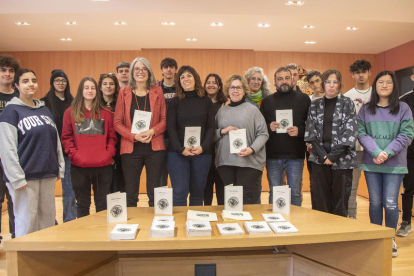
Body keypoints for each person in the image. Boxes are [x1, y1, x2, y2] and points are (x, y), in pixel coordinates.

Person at [0, 69, 64, 237]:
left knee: (48, 219)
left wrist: (59, 166)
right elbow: (6, 148)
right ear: (16, 86)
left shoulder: (44, 110)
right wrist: (16, 177)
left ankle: (45, 257)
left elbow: (54, 139)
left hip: (47, 173)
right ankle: (25, 259)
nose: (31, 84)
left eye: (33, 80)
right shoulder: (11, 112)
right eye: (25, 81)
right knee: (27, 220)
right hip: (25, 177)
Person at [358, 70, 414, 257]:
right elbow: (361, 133)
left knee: (390, 203)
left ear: (394, 86)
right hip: (372, 163)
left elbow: (407, 134)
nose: (384, 85)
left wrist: (387, 152)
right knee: (375, 203)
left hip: (395, 164)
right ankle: (376, 237)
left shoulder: (404, 108)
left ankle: (389, 239)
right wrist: (376, 152)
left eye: (388, 82)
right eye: (381, 82)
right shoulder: (366, 109)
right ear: (375, 85)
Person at [304, 69, 358, 217]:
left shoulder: (347, 103)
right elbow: (310, 132)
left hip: (342, 160)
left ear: (339, 84)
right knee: (321, 199)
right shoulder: (315, 105)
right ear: (323, 84)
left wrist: (332, 156)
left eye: (335, 82)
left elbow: (350, 131)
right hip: (319, 160)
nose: (331, 85)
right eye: (328, 82)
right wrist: (323, 156)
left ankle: (339, 235)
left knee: (341, 199)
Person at [114, 57, 166, 207]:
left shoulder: (158, 91)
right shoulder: (123, 93)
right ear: (132, 72)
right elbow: (117, 123)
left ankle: (156, 225)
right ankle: (131, 228)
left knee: (154, 193)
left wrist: (152, 131)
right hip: (131, 149)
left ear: (149, 72)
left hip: (154, 148)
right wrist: (133, 136)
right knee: (130, 194)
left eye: (144, 68)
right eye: (137, 68)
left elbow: (164, 120)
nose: (140, 72)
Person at [61, 77, 117, 218]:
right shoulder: (70, 113)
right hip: (79, 167)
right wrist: (75, 155)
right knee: (82, 204)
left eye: (92, 88)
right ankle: (83, 236)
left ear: (97, 91)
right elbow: (66, 138)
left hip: (103, 166)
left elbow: (112, 138)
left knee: (102, 204)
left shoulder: (106, 113)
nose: (90, 90)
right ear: (81, 90)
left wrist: (108, 154)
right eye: (86, 87)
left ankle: (101, 235)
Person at [215, 75, 268, 204]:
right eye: (232, 87)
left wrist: (251, 149)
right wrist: (222, 131)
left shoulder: (253, 110)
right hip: (226, 162)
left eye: (239, 87)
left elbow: (263, 134)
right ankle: (232, 224)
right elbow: (212, 134)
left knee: (246, 198)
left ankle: (246, 224)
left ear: (244, 91)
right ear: (228, 90)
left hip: (249, 162)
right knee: (230, 199)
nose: (235, 90)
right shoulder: (221, 111)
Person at [261, 67, 310, 206]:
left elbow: (312, 126)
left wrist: (300, 130)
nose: (284, 81)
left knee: (295, 192)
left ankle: (295, 222)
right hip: (272, 155)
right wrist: (269, 127)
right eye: (280, 79)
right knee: (274, 191)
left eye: (287, 78)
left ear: (293, 79)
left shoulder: (304, 99)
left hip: (296, 155)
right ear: (275, 82)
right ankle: (275, 221)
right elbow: (260, 128)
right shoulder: (267, 101)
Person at [167, 65, 214, 206]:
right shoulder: (175, 102)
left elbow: (211, 127)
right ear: (178, 82)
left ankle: (195, 225)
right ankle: (180, 226)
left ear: (195, 79)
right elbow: (171, 127)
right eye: (182, 77)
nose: (185, 79)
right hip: (178, 154)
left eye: (189, 75)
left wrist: (203, 147)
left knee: (197, 192)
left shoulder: (206, 101)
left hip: (202, 153)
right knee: (180, 193)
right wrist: (180, 148)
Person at [40, 69, 76, 223]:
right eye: (57, 81)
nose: (61, 83)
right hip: (50, 153)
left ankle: (69, 220)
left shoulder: (73, 101)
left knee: (70, 190)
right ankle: (50, 222)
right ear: (52, 83)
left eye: (63, 81)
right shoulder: (43, 103)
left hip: (68, 153)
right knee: (47, 191)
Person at [344, 59, 373, 219]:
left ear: (369, 72)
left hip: (375, 148)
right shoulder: (347, 96)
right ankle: (351, 218)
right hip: (354, 148)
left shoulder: (377, 94)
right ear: (353, 75)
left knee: (375, 187)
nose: (361, 75)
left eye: (364, 71)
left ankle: (375, 221)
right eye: (357, 72)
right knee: (352, 186)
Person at [244, 67, 272, 203]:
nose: (255, 81)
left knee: (256, 184)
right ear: (247, 81)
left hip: (262, 147)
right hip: (245, 145)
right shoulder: (241, 99)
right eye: (253, 78)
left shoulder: (268, 100)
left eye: (259, 79)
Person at [0, 55, 18, 240]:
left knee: (15, 200)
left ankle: (16, 236)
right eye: (3, 70)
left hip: (15, 157)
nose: (7, 74)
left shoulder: (19, 97)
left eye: (11, 71)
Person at [98, 73, 125, 193]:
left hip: (120, 148)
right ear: (100, 87)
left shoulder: (121, 103)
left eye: (111, 84)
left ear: (116, 86)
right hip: (101, 149)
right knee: (104, 187)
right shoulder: (95, 105)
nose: (108, 86)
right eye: (105, 84)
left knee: (120, 185)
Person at [203, 73, 227, 205]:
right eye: (208, 82)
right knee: (205, 188)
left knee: (221, 188)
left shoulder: (226, 104)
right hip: (205, 152)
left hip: (221, 152)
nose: (211, 85)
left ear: (219, 86)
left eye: (215, 82)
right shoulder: (200, 103)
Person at [156, 58, 178, 187]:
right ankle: (161, 204)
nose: (168, 69)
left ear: (176, 70)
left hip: (177, 137)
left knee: (177, 173)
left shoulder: (181, 88)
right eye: (166, 67)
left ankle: (178, 204)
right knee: (160, 174)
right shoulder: (155, 89)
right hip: (160, 136)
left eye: (171, 67)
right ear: (162, 70)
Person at [398, 67, 414, 237]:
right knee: (408, 188)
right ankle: (406, 222)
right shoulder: (405, 101)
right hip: (409, 152)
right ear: (412, 77)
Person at [305, 70, 324, 208]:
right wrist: (308, 142)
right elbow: (307, 124)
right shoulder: (308, 101)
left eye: (317, 80)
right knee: (314, 180)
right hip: (312, 147)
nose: (315, 84)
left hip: (330, 147)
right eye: (312, 82)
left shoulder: (333, 98)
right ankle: (316, 208)